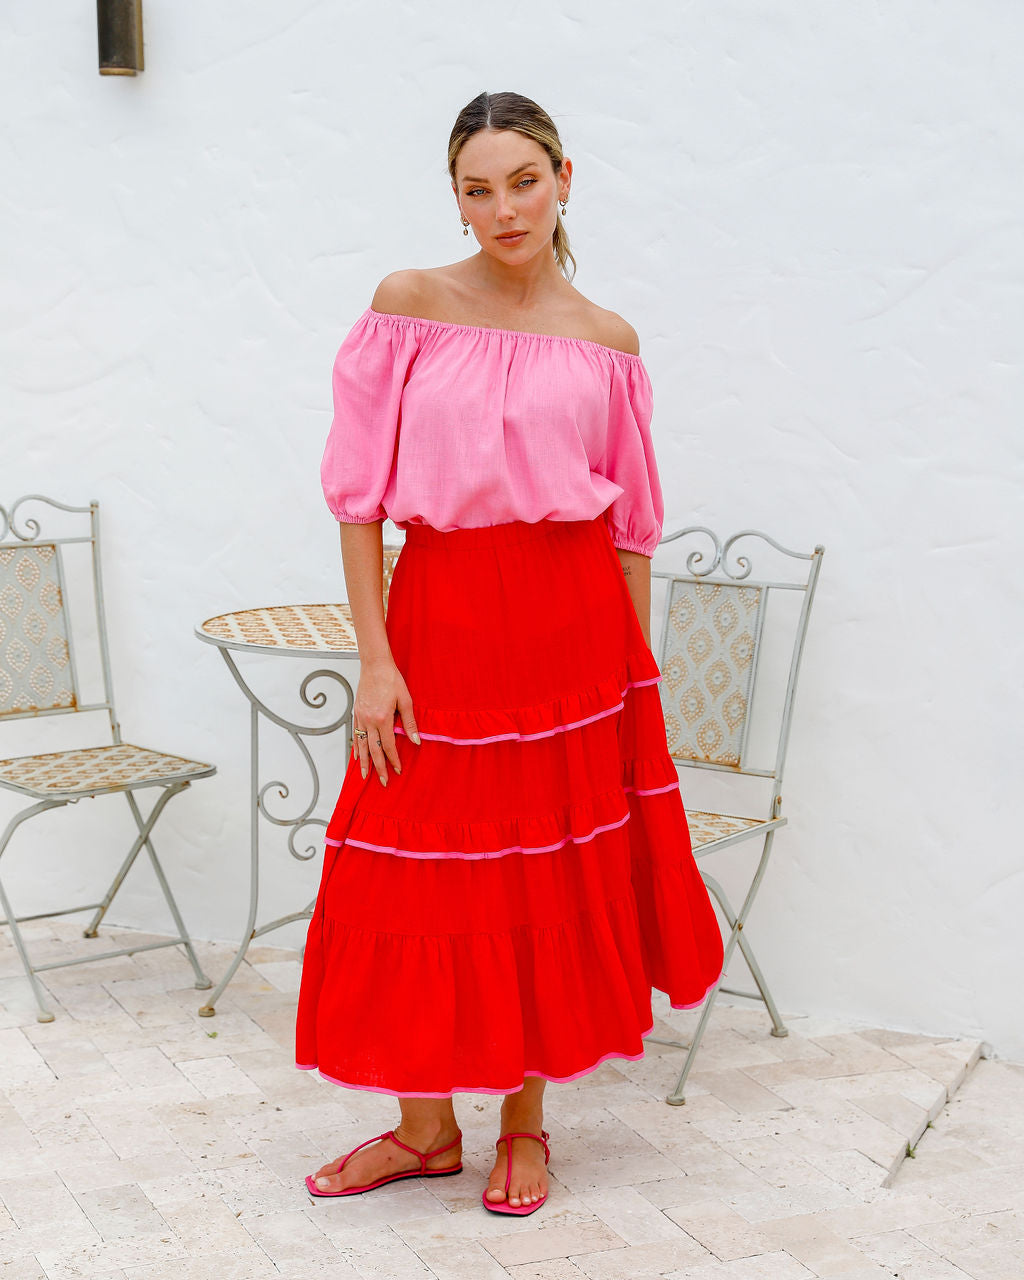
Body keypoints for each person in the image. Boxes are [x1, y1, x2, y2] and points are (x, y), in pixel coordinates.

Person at [295, 90, 724, 1216]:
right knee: (407, 864)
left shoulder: (606, 341)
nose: (502, 207)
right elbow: (358, 504)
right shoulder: (409, 306)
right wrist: (375, 661)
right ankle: (423, 1127)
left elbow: (629, 527)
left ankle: (524, 1124)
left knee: (546, 868)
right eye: (476, 188)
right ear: (456, 197)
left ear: (564, 177)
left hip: (574, 632)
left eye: (522, 181)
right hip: (438, 619)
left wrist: (635, 682)